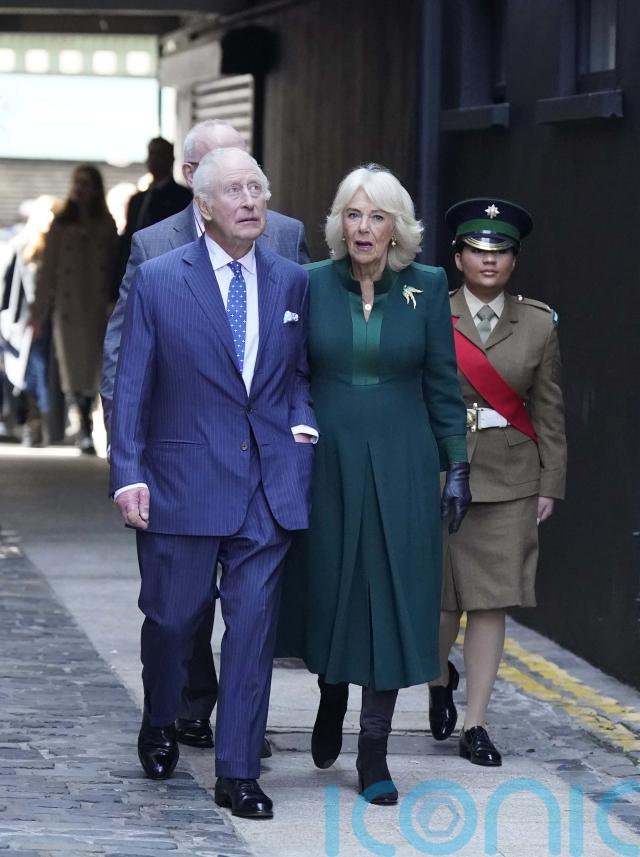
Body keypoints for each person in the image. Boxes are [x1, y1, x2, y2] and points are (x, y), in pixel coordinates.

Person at [109, 147, 317, 820]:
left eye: (258, 187)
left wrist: (303, 428)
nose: (251, 201)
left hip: (266, 486)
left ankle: (238, 772)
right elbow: (132, 384)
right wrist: (127, 473)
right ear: (203, 205)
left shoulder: (291, 280)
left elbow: (300, 374)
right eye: (234, 190)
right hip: (182, 481)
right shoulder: (161, 279)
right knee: (173, 621)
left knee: (252, 632)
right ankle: (160, 716)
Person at [276, 164, 471, 804]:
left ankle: (373, 749)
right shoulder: (308, 283)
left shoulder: (428, 286)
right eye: (353, 215)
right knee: (332, 584)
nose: (363, 228)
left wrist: (457, 464)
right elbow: (290, 374)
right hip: (327, 458)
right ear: (340, 224)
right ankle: (331, 692)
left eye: (377, 216)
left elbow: (442, 383)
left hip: (403, 461)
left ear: (396, 228)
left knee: (390, 592)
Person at [428, 198, 567, 767]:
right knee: (439, 605)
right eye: (477, 249)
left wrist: (550, 482)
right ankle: (438, 679)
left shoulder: (537, 323)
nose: (489, 260)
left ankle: (476, 723)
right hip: (441, 470)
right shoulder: (430, 311)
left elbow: (549, 409)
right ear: (458, 257)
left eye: (501, 251)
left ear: (514, 260)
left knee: (490, 603)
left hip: (510, 477)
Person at [31, 166, 116, 453]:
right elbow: (48, 269)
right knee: (72, 367)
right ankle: (82, 421)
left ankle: (88, 420)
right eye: (77, 183)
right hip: (67, 309)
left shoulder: (105, 223)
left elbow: (114, 265)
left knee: (94, 366)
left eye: (86, 183)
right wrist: (39, 312)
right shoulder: (61, 223)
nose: (80, 189)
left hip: (95, 307)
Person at [0, 195, 61, 446]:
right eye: (46, 212)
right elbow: (11, 289)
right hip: (29, 322)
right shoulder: (23, 245)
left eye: (55, 213)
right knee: (31, 373)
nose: (50, 218)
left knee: (51, 374)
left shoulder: (63, 246)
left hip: (56, 320)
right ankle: (34, 422)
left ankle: (49, 424)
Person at [115, 137, 192, 284]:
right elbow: (128, 241)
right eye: (151, 154)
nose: (154, 160)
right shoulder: (137, 200)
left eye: (160, 154)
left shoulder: (183, 197)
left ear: (170, 159)